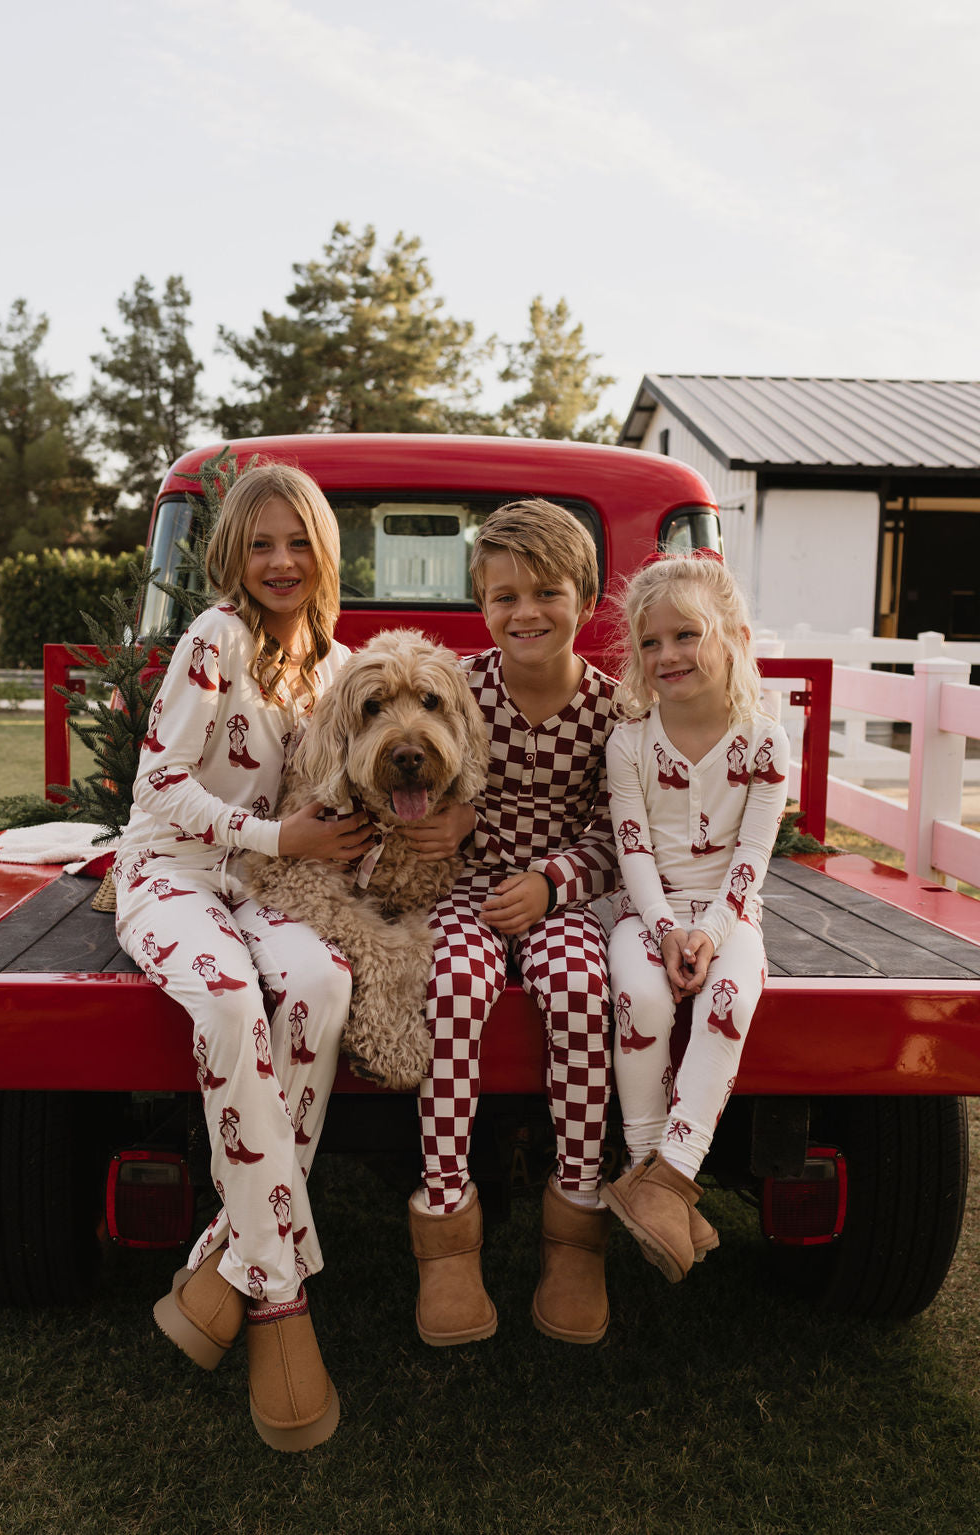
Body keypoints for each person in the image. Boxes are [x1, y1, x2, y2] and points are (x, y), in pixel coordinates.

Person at [113, 462, 375, 1451]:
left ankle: (226, 1257)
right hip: (174, 869)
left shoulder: (330, 662)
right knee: (228, 999)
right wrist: (276, 840)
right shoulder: (214, 637)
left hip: (262, 881)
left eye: (297, 541)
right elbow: (160, 783)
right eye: (260, 542)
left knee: (320, 981)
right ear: (231, 553)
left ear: (323, 554)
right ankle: (276, 1293)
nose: (279, 560)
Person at [405, 499, 619, 1348]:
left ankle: (575, 1221)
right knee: (451, 981)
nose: (525, 612)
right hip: (464, 887)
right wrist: (457, 818)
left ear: (587, 597)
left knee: (579, 987)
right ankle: (448, 1217)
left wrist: (551, 880)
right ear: (482, 606)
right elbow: (418, 765)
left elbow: (615, 834)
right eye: (503, 597)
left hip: (560, 895)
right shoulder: (458, 688)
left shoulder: (611, 710)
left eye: (546, 592)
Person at [600, 550, 789, 1282]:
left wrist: (710, 932)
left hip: (730, 914)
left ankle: (669, 1176)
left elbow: (752, 853)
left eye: (686, 634)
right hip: (646, 912)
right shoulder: (631, 742)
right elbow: (633, 849)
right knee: (640, 995)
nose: (667, 654)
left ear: (733, 636)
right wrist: (665, 930)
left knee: (729, 999)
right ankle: (649, 1163)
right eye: (651, 641)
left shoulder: (765, 741)